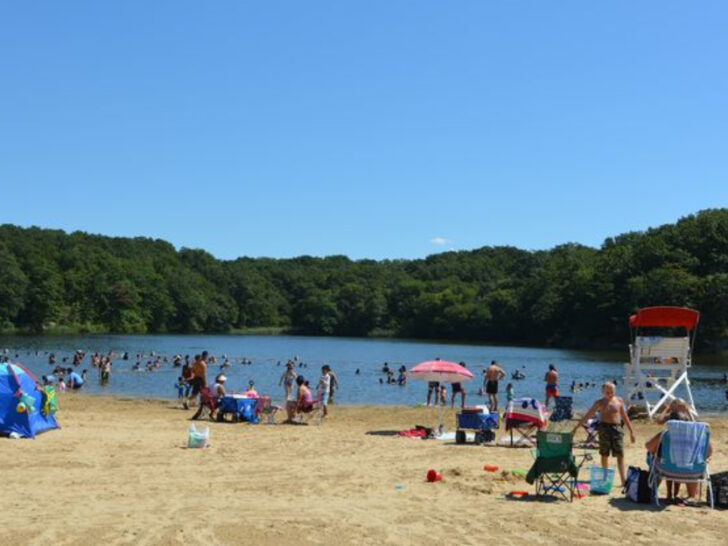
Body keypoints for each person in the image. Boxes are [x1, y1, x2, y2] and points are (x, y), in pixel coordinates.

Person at [572, 382, 635, 487]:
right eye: (607, 392)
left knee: (620, 454)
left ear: (615, 391)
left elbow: (624, 417)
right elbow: (588, 414)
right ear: (603, 392)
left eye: (612, 392)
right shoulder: (600, 402)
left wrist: (631, 431)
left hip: (616, 429)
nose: (610, 394)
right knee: (604, 454)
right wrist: (577, 427)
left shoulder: (619, 401)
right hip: (604, 428)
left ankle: (623, 480)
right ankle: (605, 477)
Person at [645, 410, 712, 504]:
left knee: (654, 457)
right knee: (688, 460)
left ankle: (651, 492)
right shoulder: (699, 435)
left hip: (667, 471)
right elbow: (709, 453)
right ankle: (690, 495)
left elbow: (649, 447)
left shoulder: (665, 434)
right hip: (694, 472)